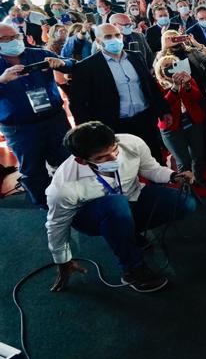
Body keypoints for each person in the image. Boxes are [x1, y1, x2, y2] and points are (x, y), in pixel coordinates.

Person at [45, 121, 196, 293]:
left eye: (114, 149)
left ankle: (128, 233)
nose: (114, 158)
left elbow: (151, 169)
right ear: (81, 160)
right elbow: (56, 225)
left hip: (131, 198)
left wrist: (173, 176)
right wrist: (63, 260)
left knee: (186, 203)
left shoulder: (131, 143)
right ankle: (133, 269)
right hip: (91, 216)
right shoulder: (63, 188)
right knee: (115, 204)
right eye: (102, 157)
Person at [67, 23, 170, 159]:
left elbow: (150, 86)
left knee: (154, 157)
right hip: (114, 124)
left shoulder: (136, 56)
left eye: (117, 35)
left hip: (145, 119)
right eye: (108, 36)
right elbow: (78, 103)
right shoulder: (87, 66)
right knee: (123, 164)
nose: (114, 39)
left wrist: (163, 110)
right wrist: (90, 131)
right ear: (98, 41)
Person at [0, 23, 75, 206]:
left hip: (55, 120)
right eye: (7, 39)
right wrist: (2, 80)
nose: (15, 41)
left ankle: (75, 198)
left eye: (17, 36)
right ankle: (45, 205)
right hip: (19, 128)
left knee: (68, 162)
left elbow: (71, 64)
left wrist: (62, 64)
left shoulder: (39, 54)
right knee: (32, 170)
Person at [154, 55, 206, 188]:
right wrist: (175, 87)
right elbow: (163, 105)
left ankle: (199, 178)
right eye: (166, 66)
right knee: (183, 161)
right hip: (171, 127)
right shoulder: (157, 85)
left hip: (192, 122)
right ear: (160, 70)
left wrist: (187, 85)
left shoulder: (188, 78)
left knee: (198, 155)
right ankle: (186, 188)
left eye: (173, 65)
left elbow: (198, 96)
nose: (171, 68)